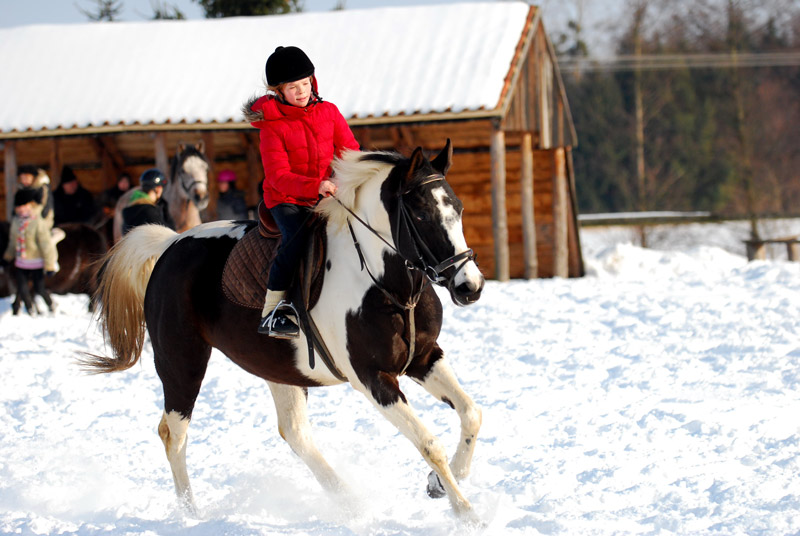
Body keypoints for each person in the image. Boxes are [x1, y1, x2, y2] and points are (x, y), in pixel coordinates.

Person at [244, 45, 360, 338]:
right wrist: (315, 185)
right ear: (279, 91)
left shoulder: (329, 112)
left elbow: (350, 150)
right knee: (296, 240)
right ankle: (272, 311)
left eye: (305, 83)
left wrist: (341, 177)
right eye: (292, 87)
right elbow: (279, 176)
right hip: (287, 199)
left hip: (326, 192)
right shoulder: (272, 127)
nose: (301, 91)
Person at [3, 189, 58, 315]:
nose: (21, 209)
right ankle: (30, 308)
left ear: (31, 205)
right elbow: (13, 242)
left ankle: (50, 303)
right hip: (21, 261)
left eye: (24, 206)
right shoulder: (16, 222)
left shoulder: (38, 222)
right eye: (18, 207)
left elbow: (46, 244)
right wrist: (7, 257)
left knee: (39, 287)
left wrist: (49, 265)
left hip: (36, 261)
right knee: (22, 287)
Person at [121, 168, 175, 235]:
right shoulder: (150, 211)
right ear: (158, 189)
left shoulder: (129, 210)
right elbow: (170, 233)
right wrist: (166, 212)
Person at [17, 165, 54, 230]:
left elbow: (46, 207)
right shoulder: (21, 190)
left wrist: (30, 209)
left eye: (26, 178)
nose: (24, 181)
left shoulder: (42, 188)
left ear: (33, 177)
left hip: (42, 223)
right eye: (22, 178)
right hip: (23, 224)